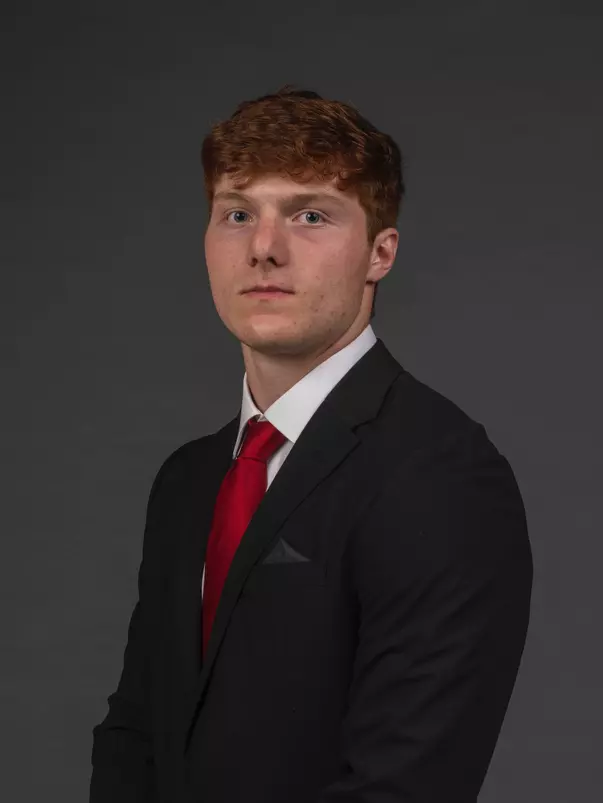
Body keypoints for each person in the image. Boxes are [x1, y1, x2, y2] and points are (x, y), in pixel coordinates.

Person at [90, 85, 533, 803]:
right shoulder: (188, 479)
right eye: (236, 213)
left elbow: (403, 783)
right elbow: (136, 732)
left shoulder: (440, 472)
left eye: (310, 215)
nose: (263, 248)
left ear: (379, 253)